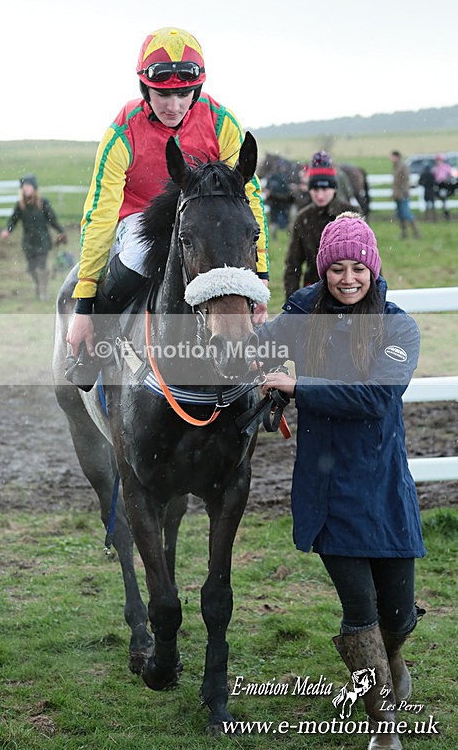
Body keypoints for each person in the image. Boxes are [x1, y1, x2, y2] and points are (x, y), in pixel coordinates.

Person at [257, 213, 425, 750]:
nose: (347, 279)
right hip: (327, 490)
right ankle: (383, 729)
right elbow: (257, 347)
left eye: (358, 268)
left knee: (397, 615)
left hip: (384, 486)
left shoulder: (400, 327)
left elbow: (376, 399)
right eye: (336, 268)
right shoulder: (304, 310)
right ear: (322, 269)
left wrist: (300, 384)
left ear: (372, 270)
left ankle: (391, 660)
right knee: (360, 611)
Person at [66, 26, 269, 380]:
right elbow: (100, 215)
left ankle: (252, 356)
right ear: (146, 88)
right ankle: (96, 342)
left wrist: (260, 277)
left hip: (203, 217)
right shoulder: (121, 132)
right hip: (140, 219)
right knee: (136, 256)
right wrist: (84, 303)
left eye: (184, 94)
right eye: (162, 95)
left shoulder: (222, 122)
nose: (174, 106)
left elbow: (248, 200)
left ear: (197, 89)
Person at [283, 151, 359, 300]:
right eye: (315, 189)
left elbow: (369, 258)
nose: (319, 195)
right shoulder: (303, 218)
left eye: (324, 189)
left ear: (333, 188)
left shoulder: (351, 214)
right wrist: (292, 304)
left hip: (349, 290)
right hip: (315, 292)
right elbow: (293, 264)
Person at [1, 174, 66, 301]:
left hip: (43, 241)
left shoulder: (43, 203)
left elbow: (52, 219)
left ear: (34, 188)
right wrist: (7, 230)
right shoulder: (20, 206)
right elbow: (13, 220)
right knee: (31, 269)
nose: (26, 189)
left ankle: (43, 291)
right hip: (28, 242)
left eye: (28, 186)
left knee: (42, 267)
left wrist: (61, 231)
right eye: (24, 187)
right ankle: (38, 285)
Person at [390, 151, 420, 239]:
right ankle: (404, 234)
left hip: (403, 194)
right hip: (397, 194)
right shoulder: (395, 166)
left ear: (397, 157)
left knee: (406, 214)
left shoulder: (403, 166)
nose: (391, 158)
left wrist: (403, 192)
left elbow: (405, 180)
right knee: (400, 215)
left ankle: (416, 233)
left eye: (392, 157)